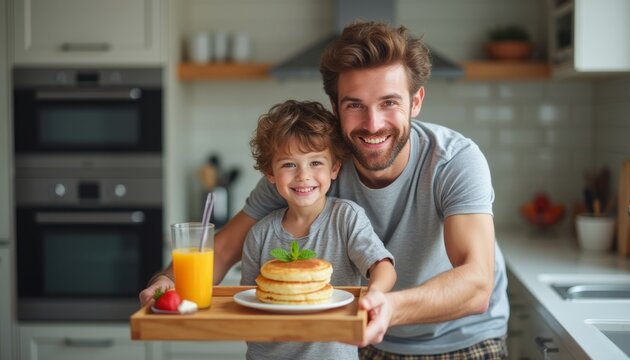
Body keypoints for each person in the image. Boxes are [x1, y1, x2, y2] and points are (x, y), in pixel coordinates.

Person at [140, 20, 509, 358]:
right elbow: (222, 250)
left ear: (415, 102)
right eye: (355, 105)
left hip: (460, 339)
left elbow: (476, 283)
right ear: (335, 106)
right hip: (360, 336)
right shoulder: (311, 167)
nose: (373, 124)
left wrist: (387, 306)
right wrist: (166, 283)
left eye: (389, 103)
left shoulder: (454, 161)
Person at [241, 99, 396, 360]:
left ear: (334, 168)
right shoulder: (260, 234)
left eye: (315, 163)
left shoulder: (346, 218)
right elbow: (247, 302)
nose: (303, 175)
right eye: (289, 164)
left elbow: (383, 267)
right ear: (270, 173)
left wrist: (375, 296)